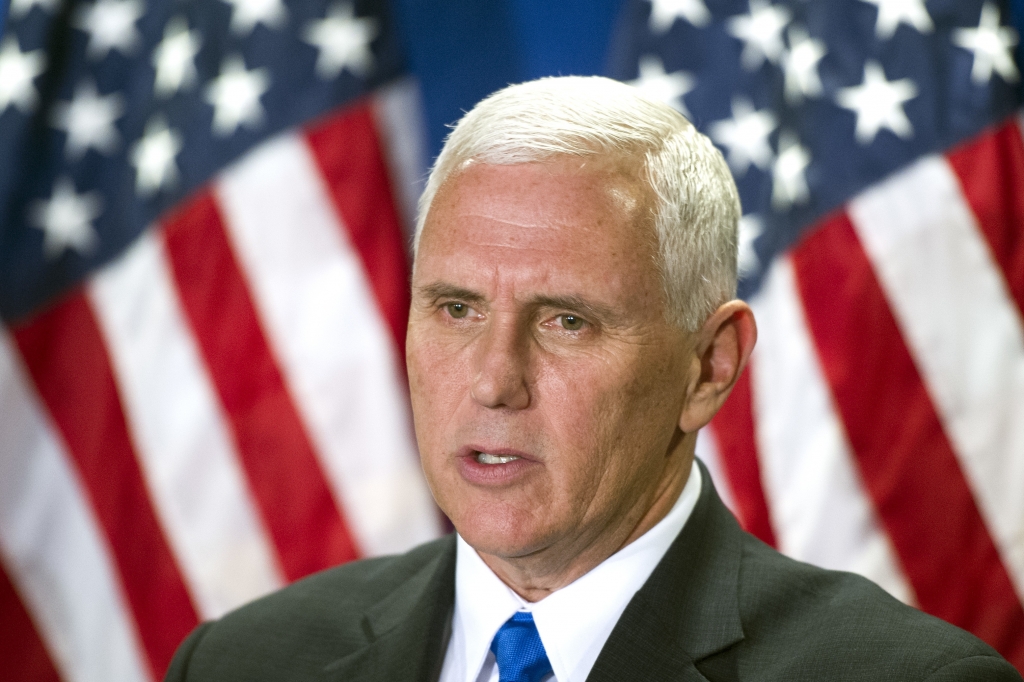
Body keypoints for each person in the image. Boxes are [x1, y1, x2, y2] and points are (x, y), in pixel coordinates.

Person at [165, 76, 1021, 682]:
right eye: (456, 309)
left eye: (567, 321)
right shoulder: (245, 662)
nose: (495, 382)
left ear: (709, 367)